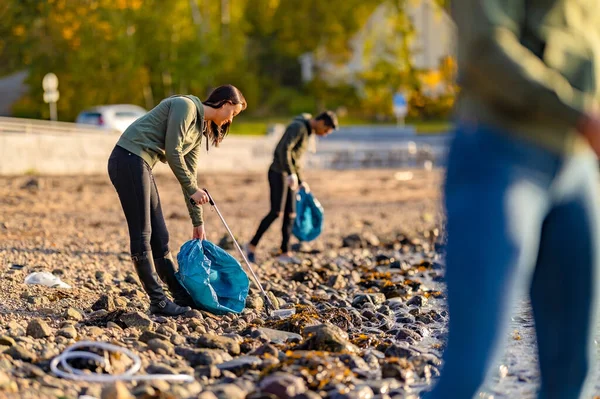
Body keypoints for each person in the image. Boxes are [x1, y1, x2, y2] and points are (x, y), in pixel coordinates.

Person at [423, 1, 600, 398]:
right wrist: (580, 116)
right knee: (471, 368)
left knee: (573, 373)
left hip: (579, 167)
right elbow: (486, 51)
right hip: (499, 154)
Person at [108, 85, 246, 316]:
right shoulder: (186, 106)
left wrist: (197, 222)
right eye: (233, 114)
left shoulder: (197, 130)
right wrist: (193, 189)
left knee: (161, 236)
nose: (231, 120)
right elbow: (173, 152)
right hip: (128, 158)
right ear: (226, 104)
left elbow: (189, 176)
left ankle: (180, 297)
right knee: (143, 233)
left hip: (141, 164)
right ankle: (158, 301)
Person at [246, 111, 338, 264]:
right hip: (278, 173)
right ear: (322, 123)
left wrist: (300, 180)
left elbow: (296, 158)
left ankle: (285, 252)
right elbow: (283, 150)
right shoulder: (298, 127)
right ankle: (251, 246)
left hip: (289, 175)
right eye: (326, 131)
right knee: (276, 212)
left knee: (291, 214)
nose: (324, 134)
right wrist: (290, 173)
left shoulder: (307, 131)